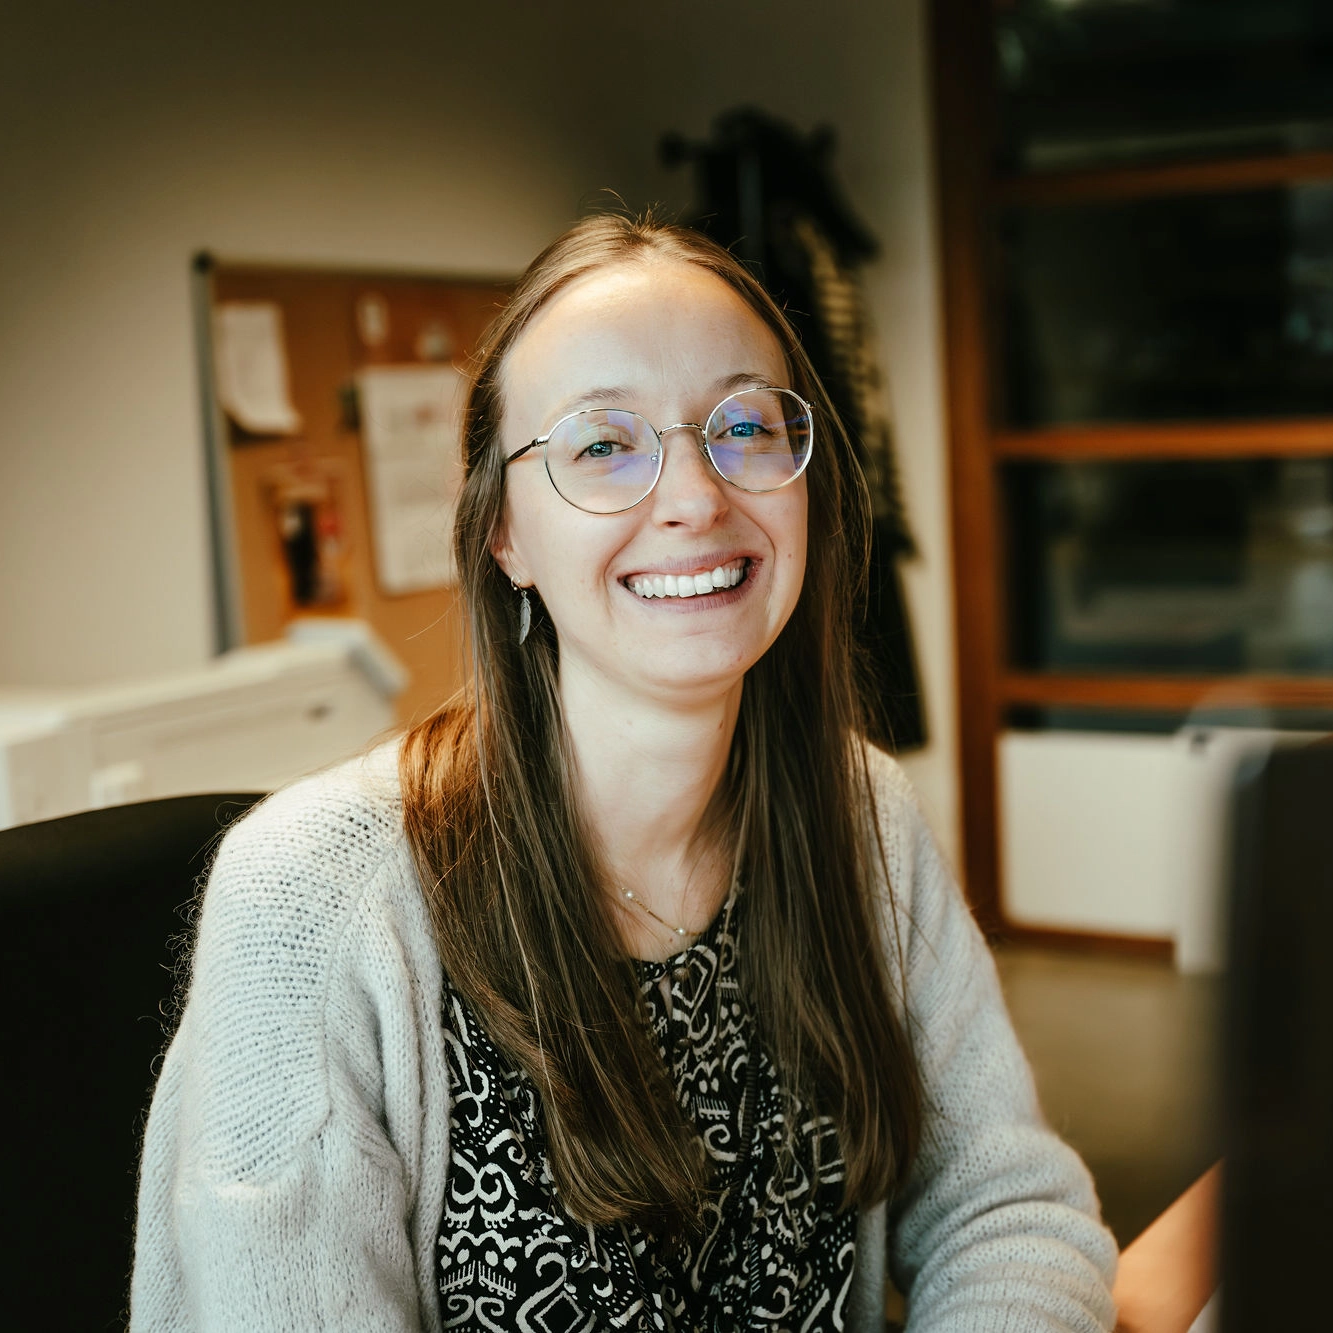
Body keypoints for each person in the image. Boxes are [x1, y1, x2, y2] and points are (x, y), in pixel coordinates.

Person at [131, 214, 1118, 1332]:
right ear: (503, 531)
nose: (697, 497)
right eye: (603, 445)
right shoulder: (312, 897)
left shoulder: (861, 815)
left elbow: (1010, 1207)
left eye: (744, 425)